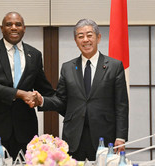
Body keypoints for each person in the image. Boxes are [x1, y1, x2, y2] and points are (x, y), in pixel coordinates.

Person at [33, 19, 129, 161]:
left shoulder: (114, 66)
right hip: (73, 138)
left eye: (89, 35)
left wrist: (120, 137)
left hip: (104, 137)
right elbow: (61, 101)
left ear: (98, 37)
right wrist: (42, 101)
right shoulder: (68, 67)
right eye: (80, 36)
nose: (85, 40)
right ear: (76, 40)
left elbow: (121, 105)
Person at [0, 11, 55, 160]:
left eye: (18, 24)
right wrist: (21, 94)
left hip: (25, 132)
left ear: (24, 28)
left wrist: (44, 99)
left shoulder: (35, 54)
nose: (13, 27)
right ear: (1, 28)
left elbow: (45, 89)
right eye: (9, 24)